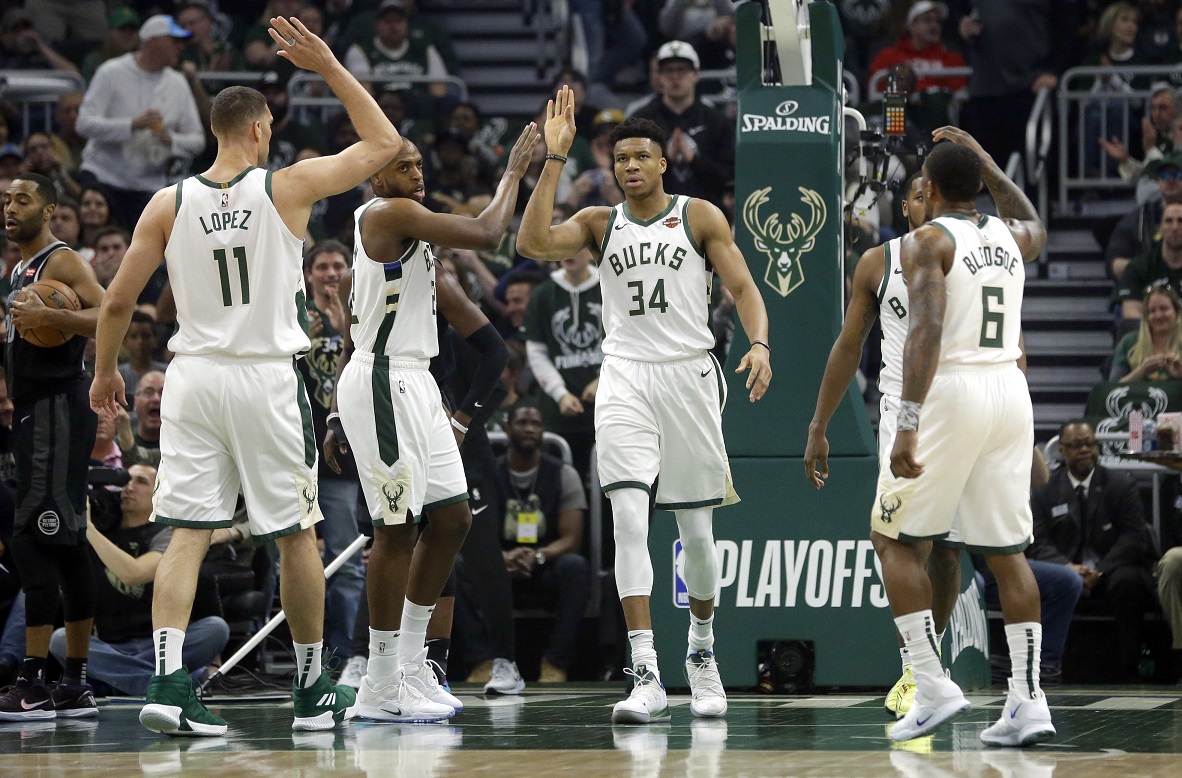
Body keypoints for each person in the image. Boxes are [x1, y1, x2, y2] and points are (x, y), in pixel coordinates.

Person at [89, 15, 403, 737]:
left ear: (213, 128)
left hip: (193, 375)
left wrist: (107, 372)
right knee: (296, 535)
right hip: (265, 376)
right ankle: (311, 690)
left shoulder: (167, 202)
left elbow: (115, 300)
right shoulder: (286, 186)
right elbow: (385, 143)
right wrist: (326, 62)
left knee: (186, 533)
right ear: (259, 130)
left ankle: (169, 684)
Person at [516, 90, 772, 724]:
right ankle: (646, 672)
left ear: (663, 164)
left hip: (690, 374)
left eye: (640, 157)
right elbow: (533, 243)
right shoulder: (601, 222)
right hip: (625, 375)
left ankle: (703, 654)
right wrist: (554, 159)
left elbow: (742, 286)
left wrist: (761, 344)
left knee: (696, 532)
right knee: (630, 519)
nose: (629, 166)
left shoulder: (699, 215)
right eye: (620, 157)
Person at [323, 123, 532, 723]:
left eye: (420, 166)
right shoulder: (385, 214)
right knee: (394, 531)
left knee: (452, 518)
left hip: (417, 381)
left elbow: (358, 320)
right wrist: (515, 170)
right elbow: (491, 233)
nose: (419, 176)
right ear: (377, 177)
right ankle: (379, 679)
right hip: (385, 379)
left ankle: (412, 664)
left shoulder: (410, 239)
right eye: (406, 167)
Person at [875, 127, 1052, 745]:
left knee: (892, 537)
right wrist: (986, 158)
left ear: (926, 188)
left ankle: (931, 685)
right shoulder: (1011, 236)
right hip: (1010, 389)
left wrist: (907, 420)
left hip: (953, 391)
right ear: (980, 185)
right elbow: (1030, 216)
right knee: (1007, 553)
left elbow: (923, 332)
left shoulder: (927, 239)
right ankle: (1028, 701)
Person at [805, 173, 961, 720]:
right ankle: (921, 670)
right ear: (907, 203)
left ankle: (931, 664)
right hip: (900, 412)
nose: (924, 200)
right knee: (898, 541)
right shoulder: (878, 261)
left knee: (947, 550)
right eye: (916, 194)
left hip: (963, 406)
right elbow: (850, 346)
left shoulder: (977, 251)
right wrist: (818, 424)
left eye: (931, 192)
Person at [0, 173, 106, 721]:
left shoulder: (62, 261)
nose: (10, 208)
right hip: (36, 410)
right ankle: (75, 682)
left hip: (59, 410)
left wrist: (51, 318)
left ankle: (34, 681)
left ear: (50, 209)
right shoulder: (20, 266)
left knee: (32, 540)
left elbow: (111, 313)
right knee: (64, 543)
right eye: (6, 201)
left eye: (23, 200)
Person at [48, 463, 233, 696]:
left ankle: (115, 681)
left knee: (215, 629)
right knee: (60, 639)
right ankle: (170, 684)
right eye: (125, 482)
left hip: (158, 645)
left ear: (159, 492)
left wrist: (89, 530)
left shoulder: (167, 534)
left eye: (141, 482)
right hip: (111, 646)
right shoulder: (104, 530)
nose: (128, 487)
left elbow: (134, 574)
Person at [455, 404, 590, 691]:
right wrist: (499, 558)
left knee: (575, 567)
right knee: (456, 567)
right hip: (495, 564)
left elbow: (572, 539)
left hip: (543, 564)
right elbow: (471, 530)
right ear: (507, 429)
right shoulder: (487, 474)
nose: (529, 428)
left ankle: (555, 663)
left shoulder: (564, 474)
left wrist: (539, 555)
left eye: (536, 423)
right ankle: (482, 661)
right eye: (522, 422)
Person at [1029, 420, 1158, 682]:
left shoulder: (1121, 484)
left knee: (1129, 581)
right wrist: (1068, 568)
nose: (1085, 450)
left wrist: (1099, 571)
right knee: (1048, 580)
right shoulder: (1044, 490)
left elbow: (1134, 537)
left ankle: (1129, 669)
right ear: (1062, 451)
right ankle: (1049, 667)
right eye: (1076, 445)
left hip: (1112, 569)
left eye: (1089, 443)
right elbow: (1038, 541)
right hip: (1066, 569)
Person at [75, 14, 205, 229]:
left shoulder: (178, 83)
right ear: (153, 40)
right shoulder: (112, 72)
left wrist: (171, 140)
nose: (180, 48)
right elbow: (83, 124)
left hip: (149, 183)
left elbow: (197, 140)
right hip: (104, 176)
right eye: (174, 41)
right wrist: (131, 125)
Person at [298, 238, 364, 658]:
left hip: (345, 455)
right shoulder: (297, 317)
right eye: (322, 266)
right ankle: (304, 650)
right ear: (308, 275)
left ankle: (346, 654)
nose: (331, 273)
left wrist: (348, 330)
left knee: (348, 562)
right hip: (301, 452)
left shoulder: (363, 315)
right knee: (290, 558)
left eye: (338, 265)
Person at [523, 245, 603, 484]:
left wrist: (604, 379)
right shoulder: (543, 295)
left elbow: (629, 339)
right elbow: (536, 351)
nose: (568, 253)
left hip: (607, 406)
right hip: (558, 412)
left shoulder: (610, 286)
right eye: (562, 247)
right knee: (562, 487)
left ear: (590, 252)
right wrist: (560, 394)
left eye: (575, 247)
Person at [628, 41, 734, 208]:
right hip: (652, 216)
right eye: (668, 71)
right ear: (659, 76)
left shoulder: (717, 121)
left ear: (695, 74)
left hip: (706, 214)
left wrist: (694, 160)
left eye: (682, 70)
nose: (675, 77)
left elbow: (728, 175)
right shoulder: (640, 121)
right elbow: (629, 174)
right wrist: (665, 160)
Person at [1110, 281, 1182, 381]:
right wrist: (1141, 371)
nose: (1158, 316)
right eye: (1152, 311)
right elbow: (1111, 389)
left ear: (1176, 311)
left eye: (1164, 309)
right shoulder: (1129, 342)